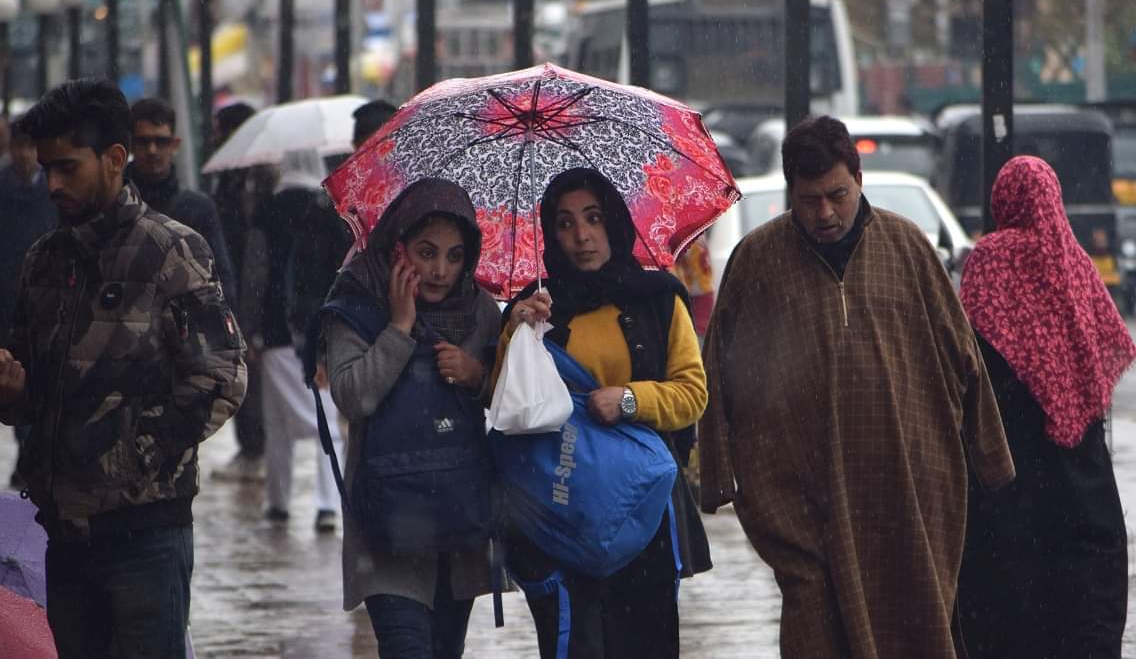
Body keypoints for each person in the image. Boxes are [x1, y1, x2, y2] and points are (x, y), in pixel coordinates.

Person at [698, 116, 1015, 659]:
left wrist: (992, 461)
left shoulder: (908, 247)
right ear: (791, 195)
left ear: (859, 179)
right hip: (798, 499)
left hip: (908, 486)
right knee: (815, 629)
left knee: (914, 620)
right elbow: (719, 374)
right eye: (809, 200)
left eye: (837, 196)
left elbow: (966, 359)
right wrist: (718, 478)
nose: (825, 213)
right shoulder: (758, 260)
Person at [0, 79, 247, 659]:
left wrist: (127, 456)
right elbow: (30, 392)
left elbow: (220, 378)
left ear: (114, 160)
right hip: (61, 537)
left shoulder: (171, 251)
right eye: (46, 168)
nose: (52, 184)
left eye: (67, 168)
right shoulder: (44, 262)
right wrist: (0, 389)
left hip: (145, 536)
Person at [503, 167, 711, 658]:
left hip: (644, 515)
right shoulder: (537, 310)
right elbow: (505, 411)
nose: (582, 236)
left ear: (614, 223)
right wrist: (516, 334)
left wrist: (631, 400)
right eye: (566, 223)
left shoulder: (658, 300)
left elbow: (691, 393)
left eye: (593, 219)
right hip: (561, 512)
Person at [956, 156, 1133, 658]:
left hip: (1008, 473)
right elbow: (1100, 357)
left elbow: (969, 360)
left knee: (1009, 618)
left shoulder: (990, 260)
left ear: (1001, 202)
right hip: (1080, 473)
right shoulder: (1076, 264)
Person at [323, 178, 501, 659]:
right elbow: (353, 397)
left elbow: (511, 405)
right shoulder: (358, 303)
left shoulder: (481, 310)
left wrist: (477, 374)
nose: (441, 271)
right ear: (399, 245)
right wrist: (399, 329)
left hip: (457, 522)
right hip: (388, 524)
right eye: (427, 253)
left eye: (455, 255)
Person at [255, 149, 349, 531]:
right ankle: (328, 503)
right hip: (319, 331)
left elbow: (256, 271)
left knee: (277, 426)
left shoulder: (268, 208)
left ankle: (279, 500)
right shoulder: (328, 209)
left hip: (275, 332)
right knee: (324, 418)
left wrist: (252, 327)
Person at [0, 121, 58, 487]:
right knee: (10, 375)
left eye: (29, 147)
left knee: (43, 374)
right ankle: (26, 447)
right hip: (5, 296)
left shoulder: (53, 190)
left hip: (47, 297)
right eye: (17, 147)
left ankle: (34, 452)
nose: (23, 155)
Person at [208, 100, 269, 482]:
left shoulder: (255, 181)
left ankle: (255, 448)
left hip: (250, 287)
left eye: (220, 129)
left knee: (249, 370)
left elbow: (255, 247)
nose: (215, 136)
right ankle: (251, 445)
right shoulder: (229, 178)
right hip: (229, 282)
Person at [126, 98, 236, 301]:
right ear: (131, 145)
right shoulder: (115, 205)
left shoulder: (199, 208)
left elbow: (221, 280)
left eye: (160, 142)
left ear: (174, 145)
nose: (152, 150)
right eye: (144, 142)